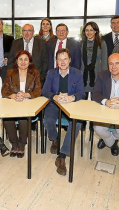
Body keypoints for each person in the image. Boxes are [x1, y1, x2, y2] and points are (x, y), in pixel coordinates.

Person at [42, 48, 85, 176]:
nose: (62, 62)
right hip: (55, 103)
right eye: (59, 59)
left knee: (76, 123)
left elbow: (81, 93)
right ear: (56, 61)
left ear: (70, 60)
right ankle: (54, 139)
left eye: (65, 59)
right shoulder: (51, 73)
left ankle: (62, 155)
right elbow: (45, 91)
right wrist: (55, 97)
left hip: (71, 104)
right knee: (47, 120)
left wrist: (71, 97)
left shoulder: (77, 73)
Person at [2, 50, 42, 158]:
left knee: (24, 117)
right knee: (7, 118)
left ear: (29, 62)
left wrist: (27, 94)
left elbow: (38, 91)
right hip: (13, 103)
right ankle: (14, 143)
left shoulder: (35, 73)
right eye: (20, 59)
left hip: (28, 103)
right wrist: (13, 95)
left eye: (26, 59)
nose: (23, 62)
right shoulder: (10, 73)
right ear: (16, 61)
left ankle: (22, 143)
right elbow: (4, 90)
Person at [81, 21, 108, 98]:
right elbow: (80, 60)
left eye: (91, 30)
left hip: (97, 75)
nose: (89, 32)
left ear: (95, 31)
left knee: (96, 100)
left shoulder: (101, 43)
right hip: (84, 76)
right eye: (87, 30)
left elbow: (104, 61)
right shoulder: (81, 43)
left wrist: (104, 76)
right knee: (82, 101)